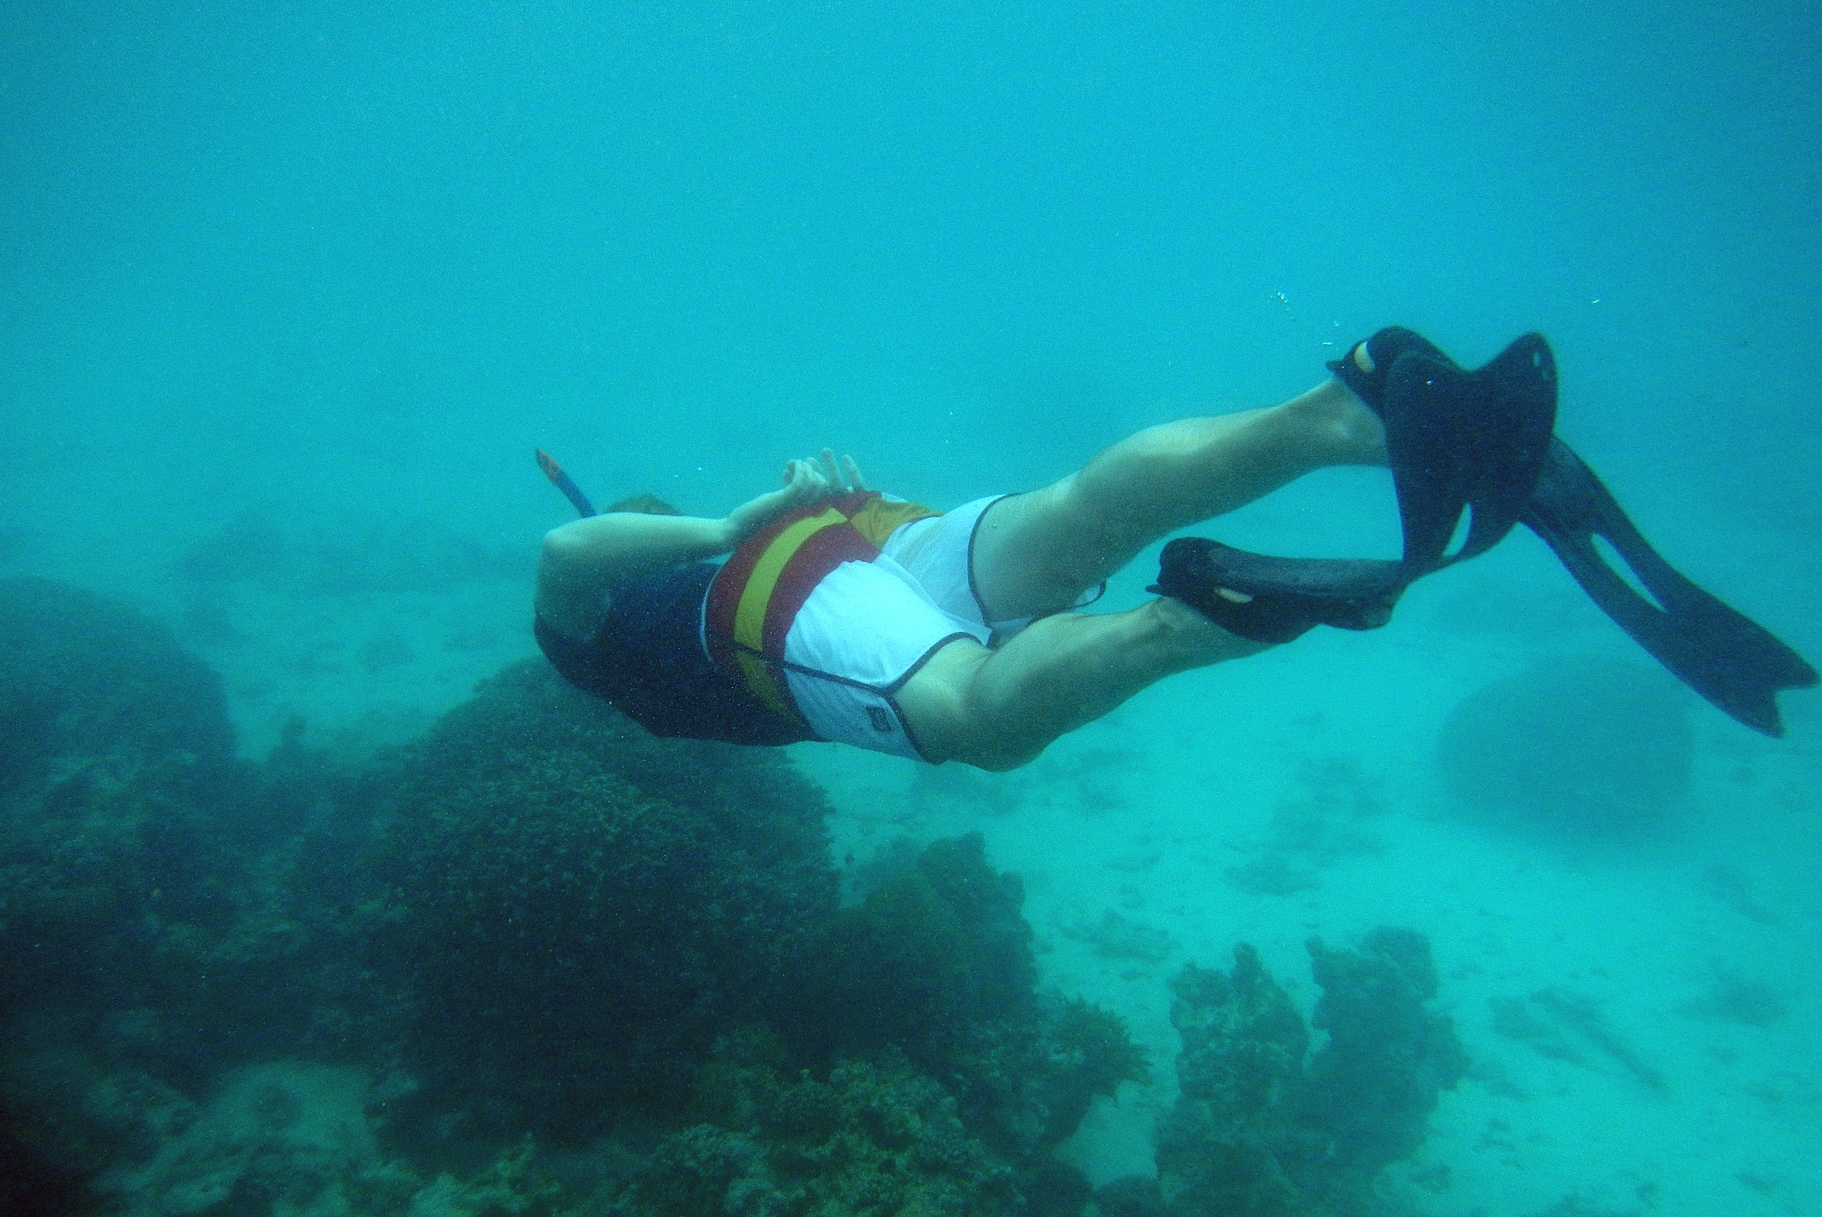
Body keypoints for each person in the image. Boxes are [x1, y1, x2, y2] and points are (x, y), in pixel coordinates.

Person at [535, 328, 1814, 767]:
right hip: (852, 544)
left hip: (774, 605)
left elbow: (566, 549)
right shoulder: (705, 566)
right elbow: (603, 535)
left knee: (978, 726)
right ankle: (1347, 410)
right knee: (1083, 514)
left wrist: (718, 532)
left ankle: (1189, 617)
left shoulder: (608, 640)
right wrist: (768, 523)